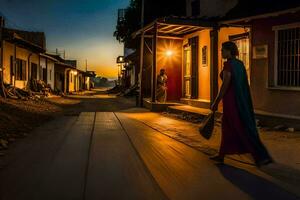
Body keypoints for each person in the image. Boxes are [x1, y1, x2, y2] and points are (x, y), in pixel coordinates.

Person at [210, 41, 272, 167]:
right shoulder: (240, 64)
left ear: (229, 51)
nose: (221, 52)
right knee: (229, 128)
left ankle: (259, 156)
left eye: (223, 50)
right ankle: (221, 155)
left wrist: (216, 101)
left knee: (238, 128)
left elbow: (225, 85)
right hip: (240, 100)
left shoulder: (228, 65)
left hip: (232, 102)